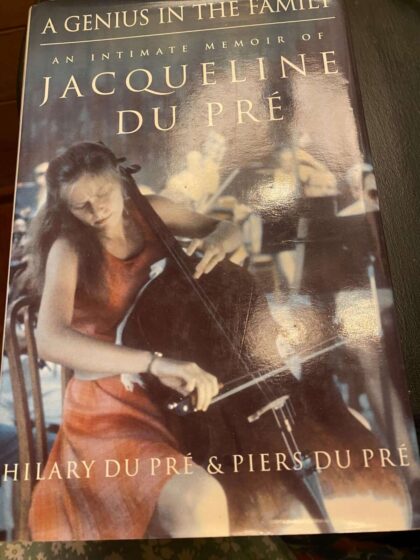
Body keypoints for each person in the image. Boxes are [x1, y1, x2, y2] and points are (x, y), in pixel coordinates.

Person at [26, 141, 243, 540]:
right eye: (81, 205)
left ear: (121, 182)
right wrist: (153, 363)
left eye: (103, 194)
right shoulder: (68, 248)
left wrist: (219, 241)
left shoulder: (152, 212)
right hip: (110, 405)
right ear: (64, 208)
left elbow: (227, 228)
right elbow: (50, 339)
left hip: (180, 379)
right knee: (198, 498)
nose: (96, 210)